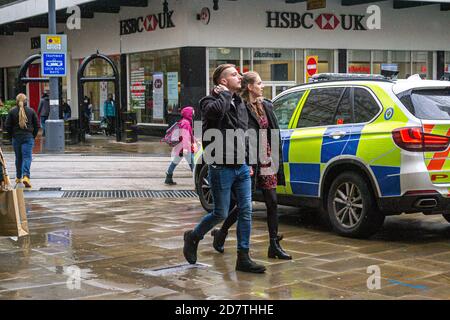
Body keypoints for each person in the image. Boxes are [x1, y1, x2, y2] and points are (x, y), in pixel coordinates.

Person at [183, 64, 266, 274]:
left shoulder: (239, 103)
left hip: (241, 167)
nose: (239, 77)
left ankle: (243, 257)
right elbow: (217, 113)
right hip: (221, 167)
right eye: (233, 75)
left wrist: (248, 162)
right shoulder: (209, 102)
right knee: (220, 212)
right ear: (222, 81)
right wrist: (225, 95)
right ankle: (193, 236)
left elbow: (243, 134)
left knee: (246, 210)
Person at [211, 71, 291, 260]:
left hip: (267, 158)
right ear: (250, 87)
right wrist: (246, 160)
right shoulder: (241, 107)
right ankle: (221, 232)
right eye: (260, 83)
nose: (262, 86)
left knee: (272, 202)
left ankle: (274, 245)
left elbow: (273, 132)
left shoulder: (266, 105)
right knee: (244, 205)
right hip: (251, 158)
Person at [5, 93, 39, 188]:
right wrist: (33, 135)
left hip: (16, 137)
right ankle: (26, 177)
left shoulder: (12, 112)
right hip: (28, 137)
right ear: (26, 101)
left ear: (16, 101)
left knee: (18, 158)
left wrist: (12, 135)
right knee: (27, 157)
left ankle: (18, 177)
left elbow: (7, 126)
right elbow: (37, 125)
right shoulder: (31, 111)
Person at [165, 106, 196, 185]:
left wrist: (194, 141)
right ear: (188, 114)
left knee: (175, 162)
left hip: (180, 147)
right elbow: (185, 136)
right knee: (193, 165)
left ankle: (168, 177)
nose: (193, 114)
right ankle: (198, 180)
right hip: (185, 148)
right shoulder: (186, 123)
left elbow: (189, 134)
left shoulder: (184, 121)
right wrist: (185, 148)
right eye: (192, 112)